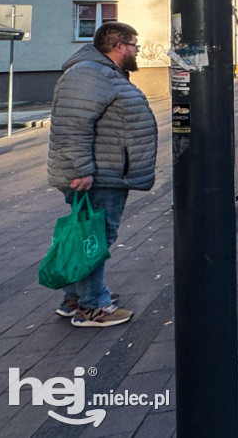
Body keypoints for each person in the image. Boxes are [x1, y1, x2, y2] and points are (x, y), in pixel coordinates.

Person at [47, 22, 157, 328]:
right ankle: (93, 307)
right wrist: (82, 169)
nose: (137, 50)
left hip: (103, 171)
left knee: (86, 234)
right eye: (135, 45)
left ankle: (74, 300)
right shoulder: (89, 73)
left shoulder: (101, 72)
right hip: (97, 175)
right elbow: (72, 125)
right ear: (119, 45)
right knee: (95, 239)